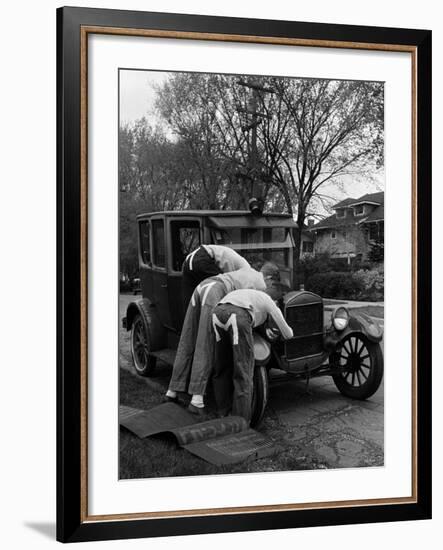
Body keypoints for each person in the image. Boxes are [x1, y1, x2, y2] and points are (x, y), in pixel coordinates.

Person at [165, 265, 277, 414]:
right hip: (215, 291)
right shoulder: (260, 283)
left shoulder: (246, 271)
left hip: (203, 286)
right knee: (206, 343)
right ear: (269, 278)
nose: (269, 287)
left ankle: (172, 391)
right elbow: (254, 307)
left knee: (188, 338)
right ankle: (196, 401)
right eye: (272, 284)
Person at [211, 288, 293, 423]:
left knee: (222, 366)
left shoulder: (250, 294)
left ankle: (223, 412)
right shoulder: (269, 302)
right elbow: (288, 334)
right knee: (243, 372)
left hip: (217, 313)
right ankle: (240, 421)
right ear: (276, 301)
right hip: (237, 316)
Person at [181, 244, 250, 311]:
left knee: (190, 300)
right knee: (218, 291)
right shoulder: (246, 271)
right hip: (202, 257)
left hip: (190, 259)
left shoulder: (240, 265)